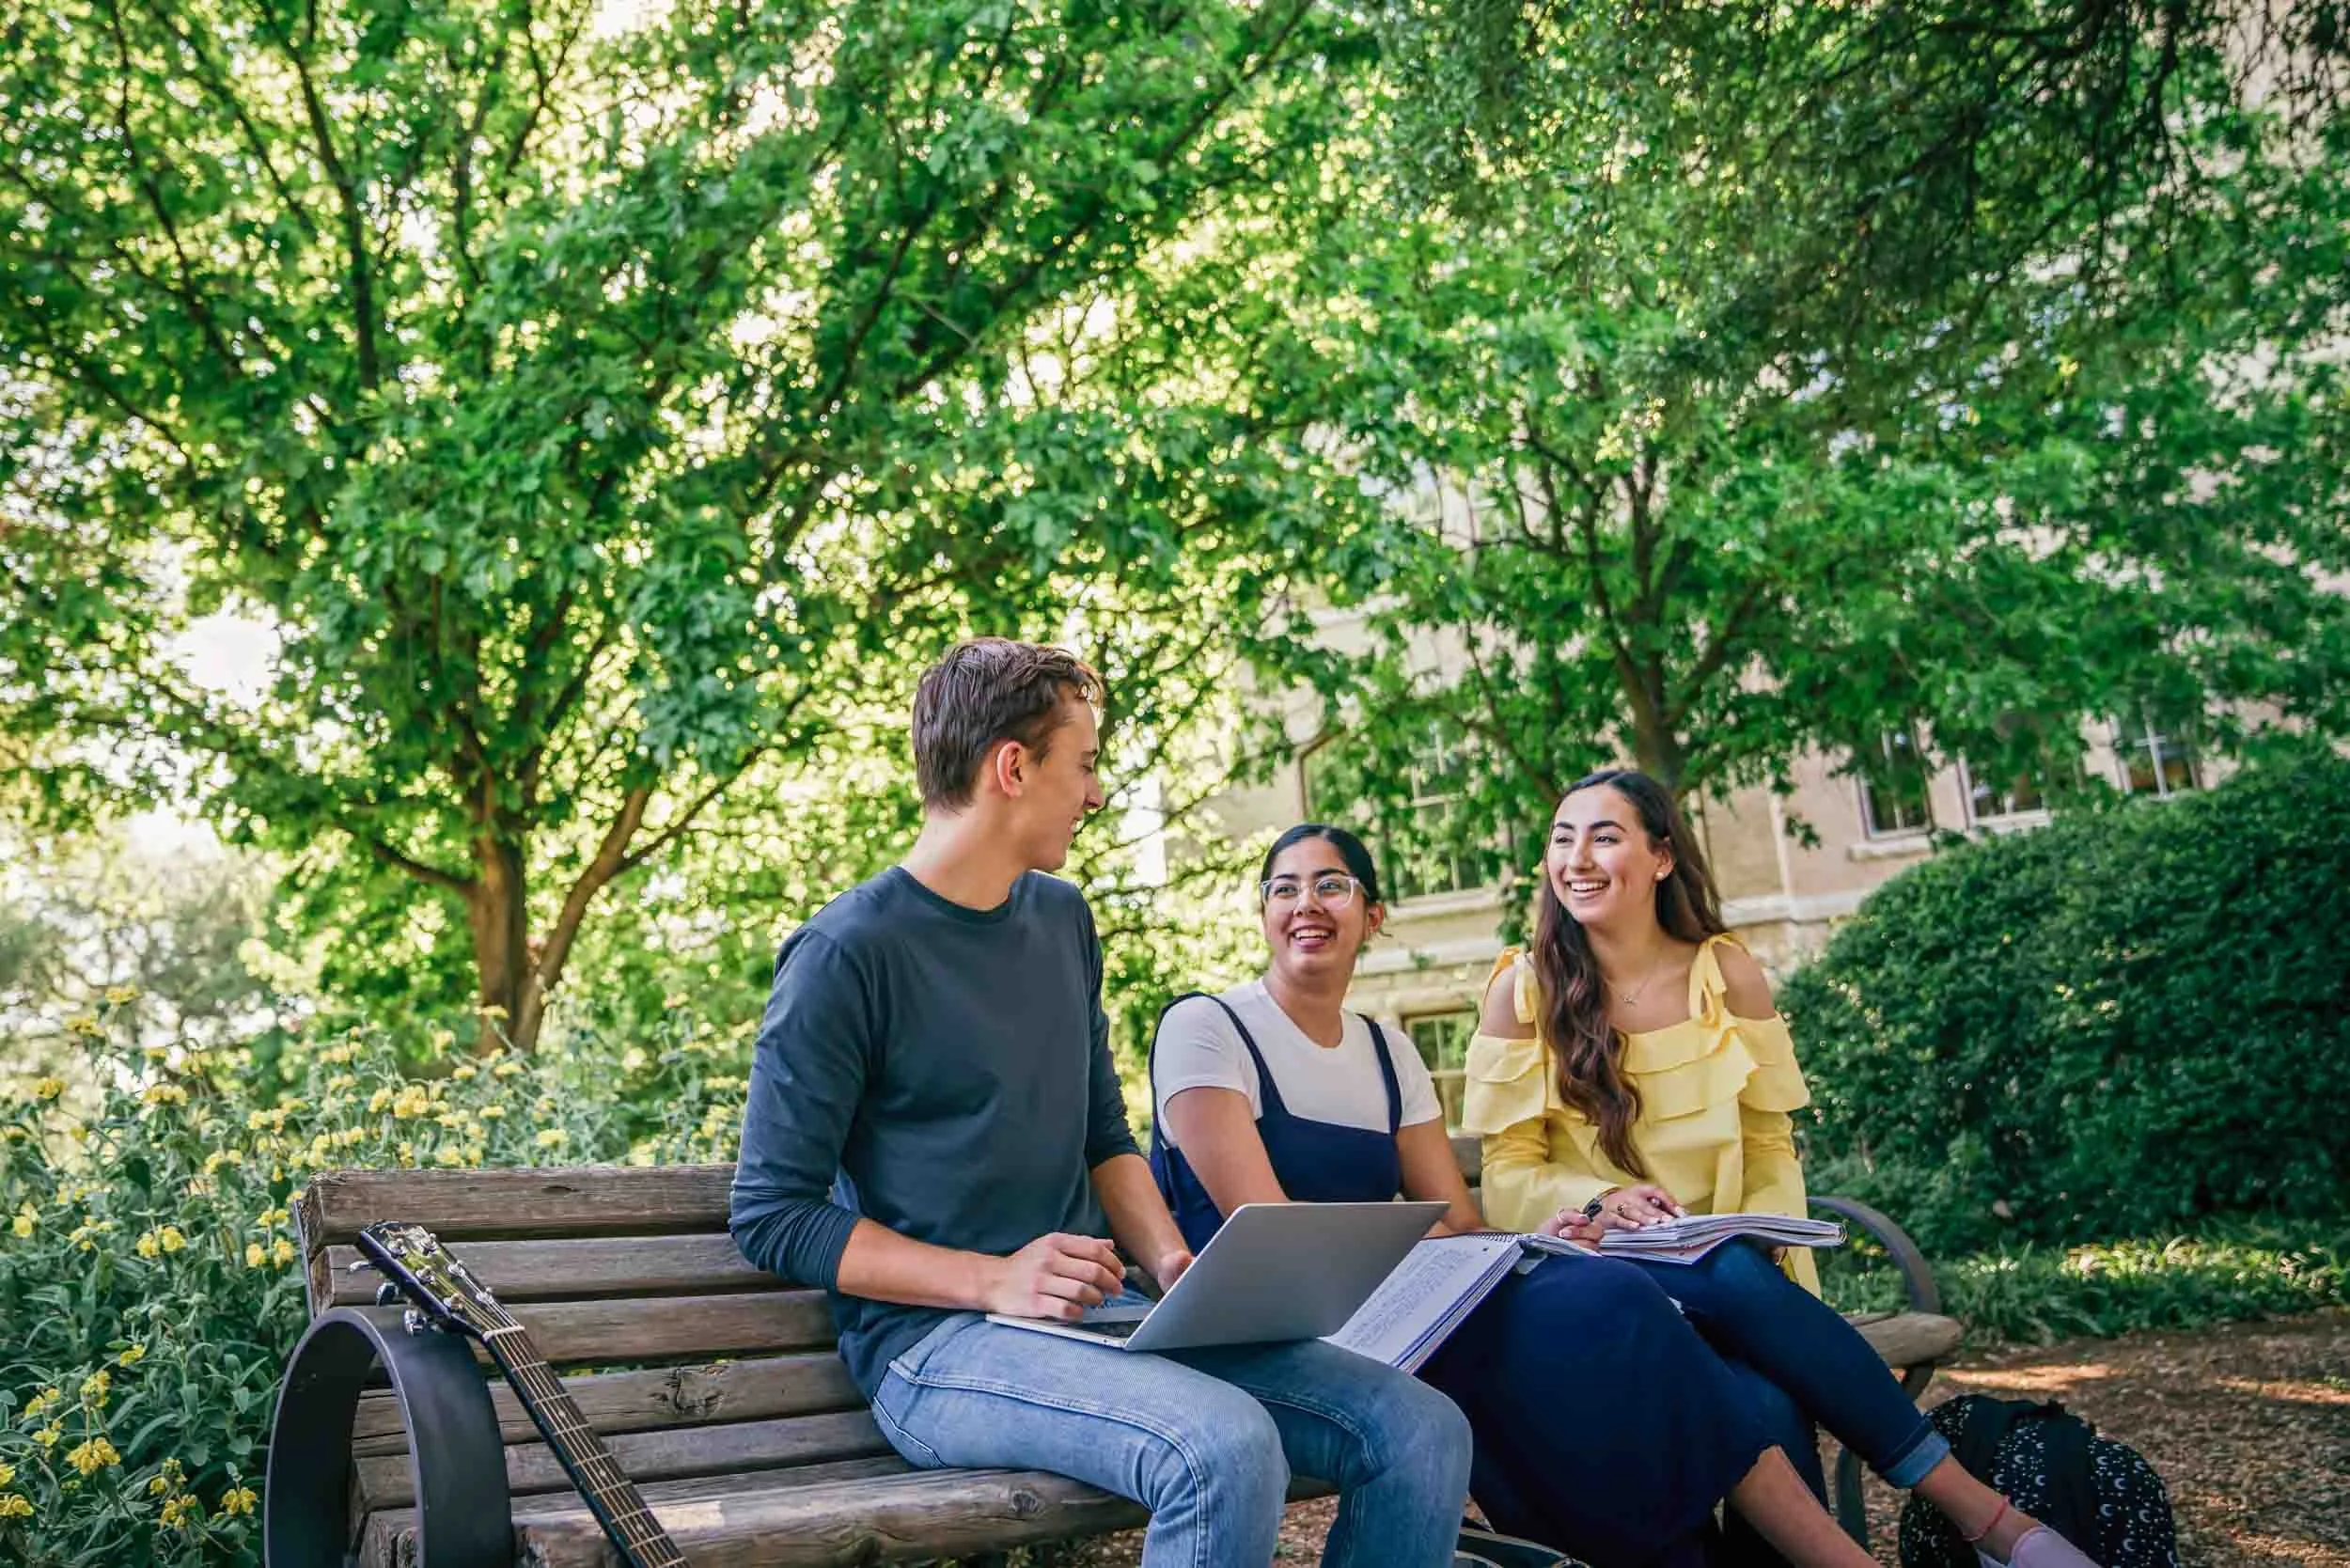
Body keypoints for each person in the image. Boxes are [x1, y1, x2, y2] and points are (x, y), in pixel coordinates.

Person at [728, 639, 1474, 1568]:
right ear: (1012, 767)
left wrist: (1172, 1262)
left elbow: (1102, 1138)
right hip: (935, 1349)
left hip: (1099, 1322)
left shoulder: (1061, 921)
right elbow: (771, 1214)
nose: (1096, 792)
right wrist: (991, 1279)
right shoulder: (845, 954)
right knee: (1219, 1449)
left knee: (1419, 1428)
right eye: (1083, 764)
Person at [1153, 822, 1896, 1568]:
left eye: (1331, 885)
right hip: (1277, 1333)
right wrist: (1429, 1245)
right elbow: (1273, 1231)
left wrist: (1542, 1235)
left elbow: (1458, 1221)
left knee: (1613, 1295)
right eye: (1284, 889)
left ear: (1372, 916)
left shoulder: (1388, 1051)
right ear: (1262, 915)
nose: (1305, 904)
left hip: (1403, 1310)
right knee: (1598, 1334)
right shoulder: (1206, 1028)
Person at [1463, 767, 2098, 1568]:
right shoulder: (1524, 991)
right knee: (1725, 1276)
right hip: (1596, 1273)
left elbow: (1768, 1147)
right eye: (1562, 839)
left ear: (1662, 857)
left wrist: (1767, 1240)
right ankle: (1987, 1518)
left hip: (1729, 1279)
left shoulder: (1724, 974)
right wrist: (1605, 1197)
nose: (1576, 858)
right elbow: (1509, 1174)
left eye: (1604, 835)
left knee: (1766, 1397)